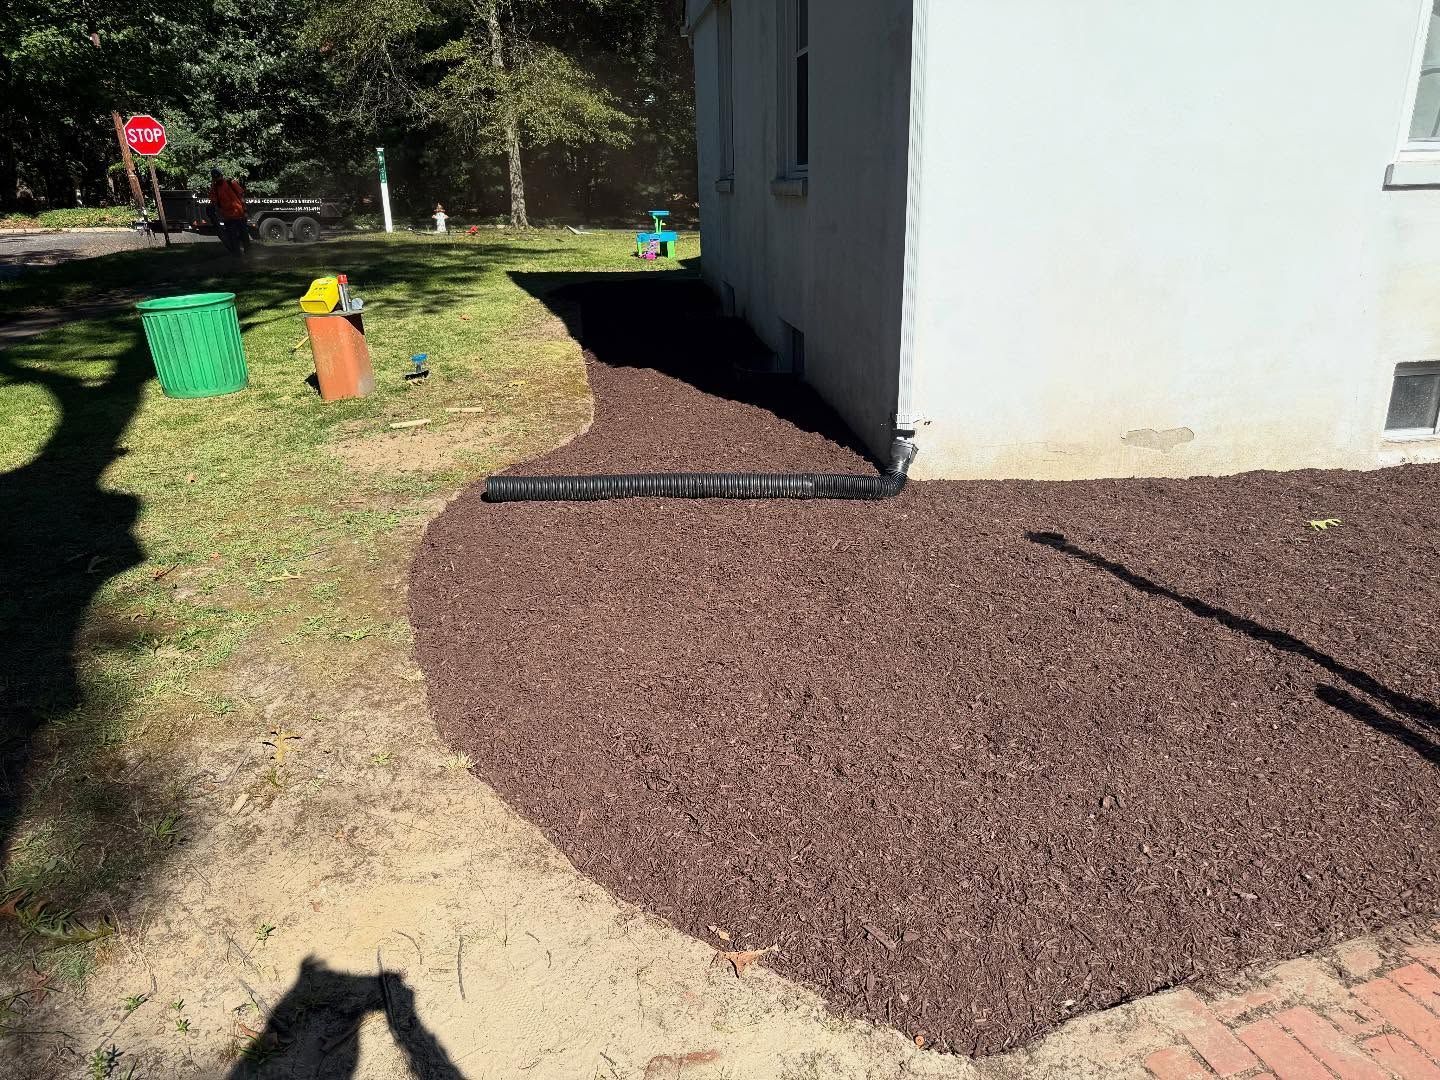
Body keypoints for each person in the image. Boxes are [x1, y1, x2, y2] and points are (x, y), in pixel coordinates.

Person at [208, 167, 249, 254]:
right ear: (213, 178)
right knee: (233, 238)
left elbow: (241, 196)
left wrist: (245, 211)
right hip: (228, 218)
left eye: (218, 176)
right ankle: (237, 256)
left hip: (239, 215)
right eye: (215, 177)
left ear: (221, 175)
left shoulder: (231, 183)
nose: (217, 178)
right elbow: (213, 201)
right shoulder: (214, 189)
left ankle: (249, 253)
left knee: (244, 236)